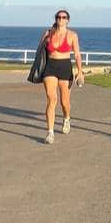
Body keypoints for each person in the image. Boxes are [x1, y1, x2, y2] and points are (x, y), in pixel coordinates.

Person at [39, 9, 84, 145]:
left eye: (64, 17)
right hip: (50, 67)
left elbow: (77, 54)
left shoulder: (72, 35)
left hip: (65, 68)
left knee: (65, 102)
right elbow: (40, 51)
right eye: (59, 17)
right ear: (56, 19)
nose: (61, 19)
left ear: (68, 20)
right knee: (52, 99)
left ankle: (66, 118)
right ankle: (50, 132)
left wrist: (80, 71)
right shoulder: (48, 33)